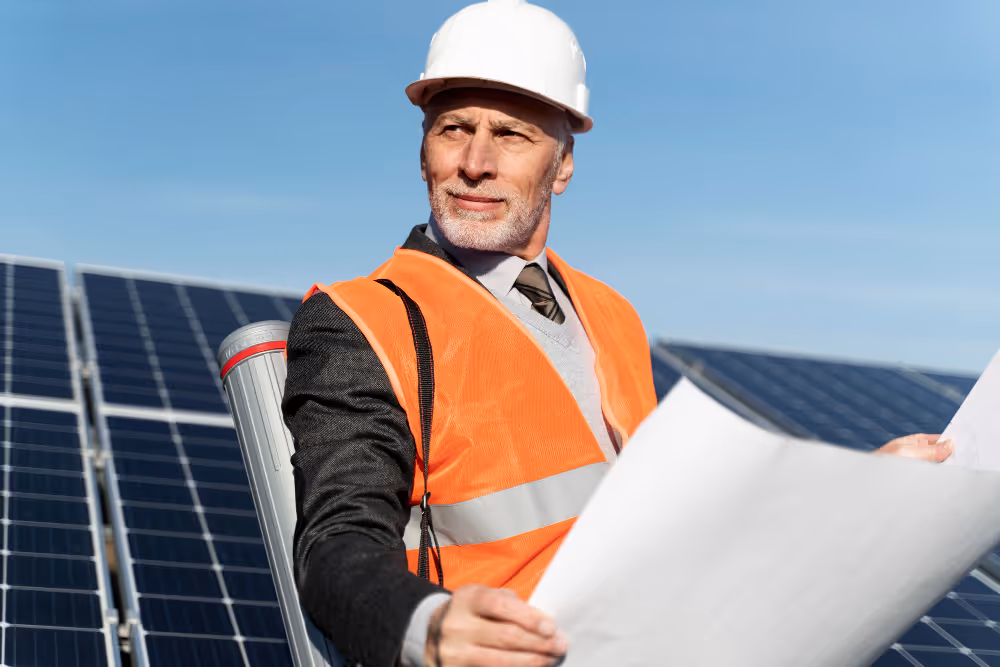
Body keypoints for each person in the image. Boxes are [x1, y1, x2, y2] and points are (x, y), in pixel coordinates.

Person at [281, 2, 954, 666]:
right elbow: (336, 542)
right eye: (454, 129)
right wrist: (425, 624)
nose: (476, 161)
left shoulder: (611, 312)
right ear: (424, 149)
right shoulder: (361, 319)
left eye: (513, 135)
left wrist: (857, 493)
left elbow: (678, 520)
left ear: (563, 165)